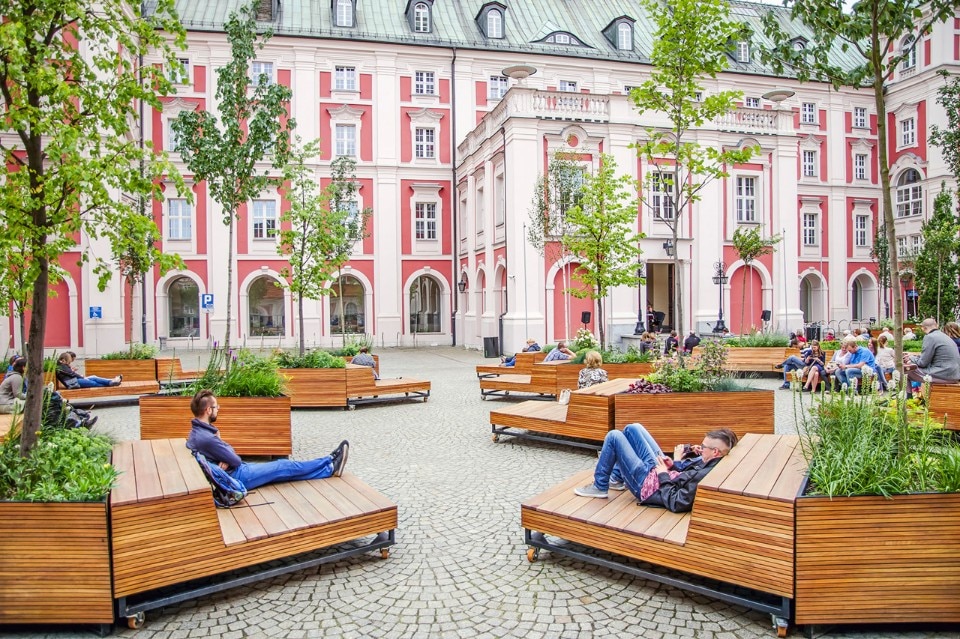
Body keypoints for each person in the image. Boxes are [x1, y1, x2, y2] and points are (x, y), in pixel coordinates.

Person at [186, 390, 349, 491]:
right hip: (239, 477)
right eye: (216, 407)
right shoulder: (207, 438)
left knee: (283, 473)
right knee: (283, 465)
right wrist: (225, 453)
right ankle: (328, 460)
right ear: (208, 410)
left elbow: (225, 455)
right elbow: (235, 459)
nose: (218, 409)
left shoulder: (198, 432)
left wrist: (222, 453)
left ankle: (328, 469)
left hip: (232, 473)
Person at [574, 423, 738, 513]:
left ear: (715, 451)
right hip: (660, 474)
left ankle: (600, 486)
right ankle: (616, 479)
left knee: (614, 436)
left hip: (648, 487)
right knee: (634, 428)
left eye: (704, 446)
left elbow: (677, 502)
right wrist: (673, 464)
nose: (700, 449)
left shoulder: (705, 474)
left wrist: (663, 475)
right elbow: (685, 471)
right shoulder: (711, 460)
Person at [903, 318, 960, 385]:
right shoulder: (945, 337)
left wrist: (911, 358)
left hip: (943, 375)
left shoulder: (930, 337)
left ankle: (907, 395)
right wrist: (915, 357)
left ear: (923, 328)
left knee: (905, 370)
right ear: (937, 326)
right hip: (954, 374)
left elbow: (923, 363)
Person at [55, 352, 121, 389]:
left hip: (73, 381)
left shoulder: (61, 365)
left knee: (94, 378)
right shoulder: (61, 366)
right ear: (64, 359)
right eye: (68, 361)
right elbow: (72, 374)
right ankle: (111, 382)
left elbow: (70, 374)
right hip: (73, 383)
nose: (69, 363)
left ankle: (111, 382)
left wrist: (83, 377)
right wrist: (83, 378)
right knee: (94, 382)